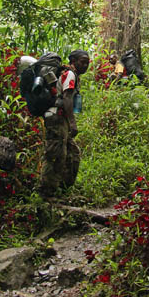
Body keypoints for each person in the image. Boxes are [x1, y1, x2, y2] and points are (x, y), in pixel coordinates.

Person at [39, 49, 90, 198]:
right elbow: (67, 98)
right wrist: (72, 123)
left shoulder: (71, 74)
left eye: (87, 62)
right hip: (56, 119)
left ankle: (63, 189)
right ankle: (46, 193)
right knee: (55, 155)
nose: (85, 65)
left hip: (61, 119)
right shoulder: (70, 75)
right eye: (82, 62)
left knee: (72, 154)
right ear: (73, 61)